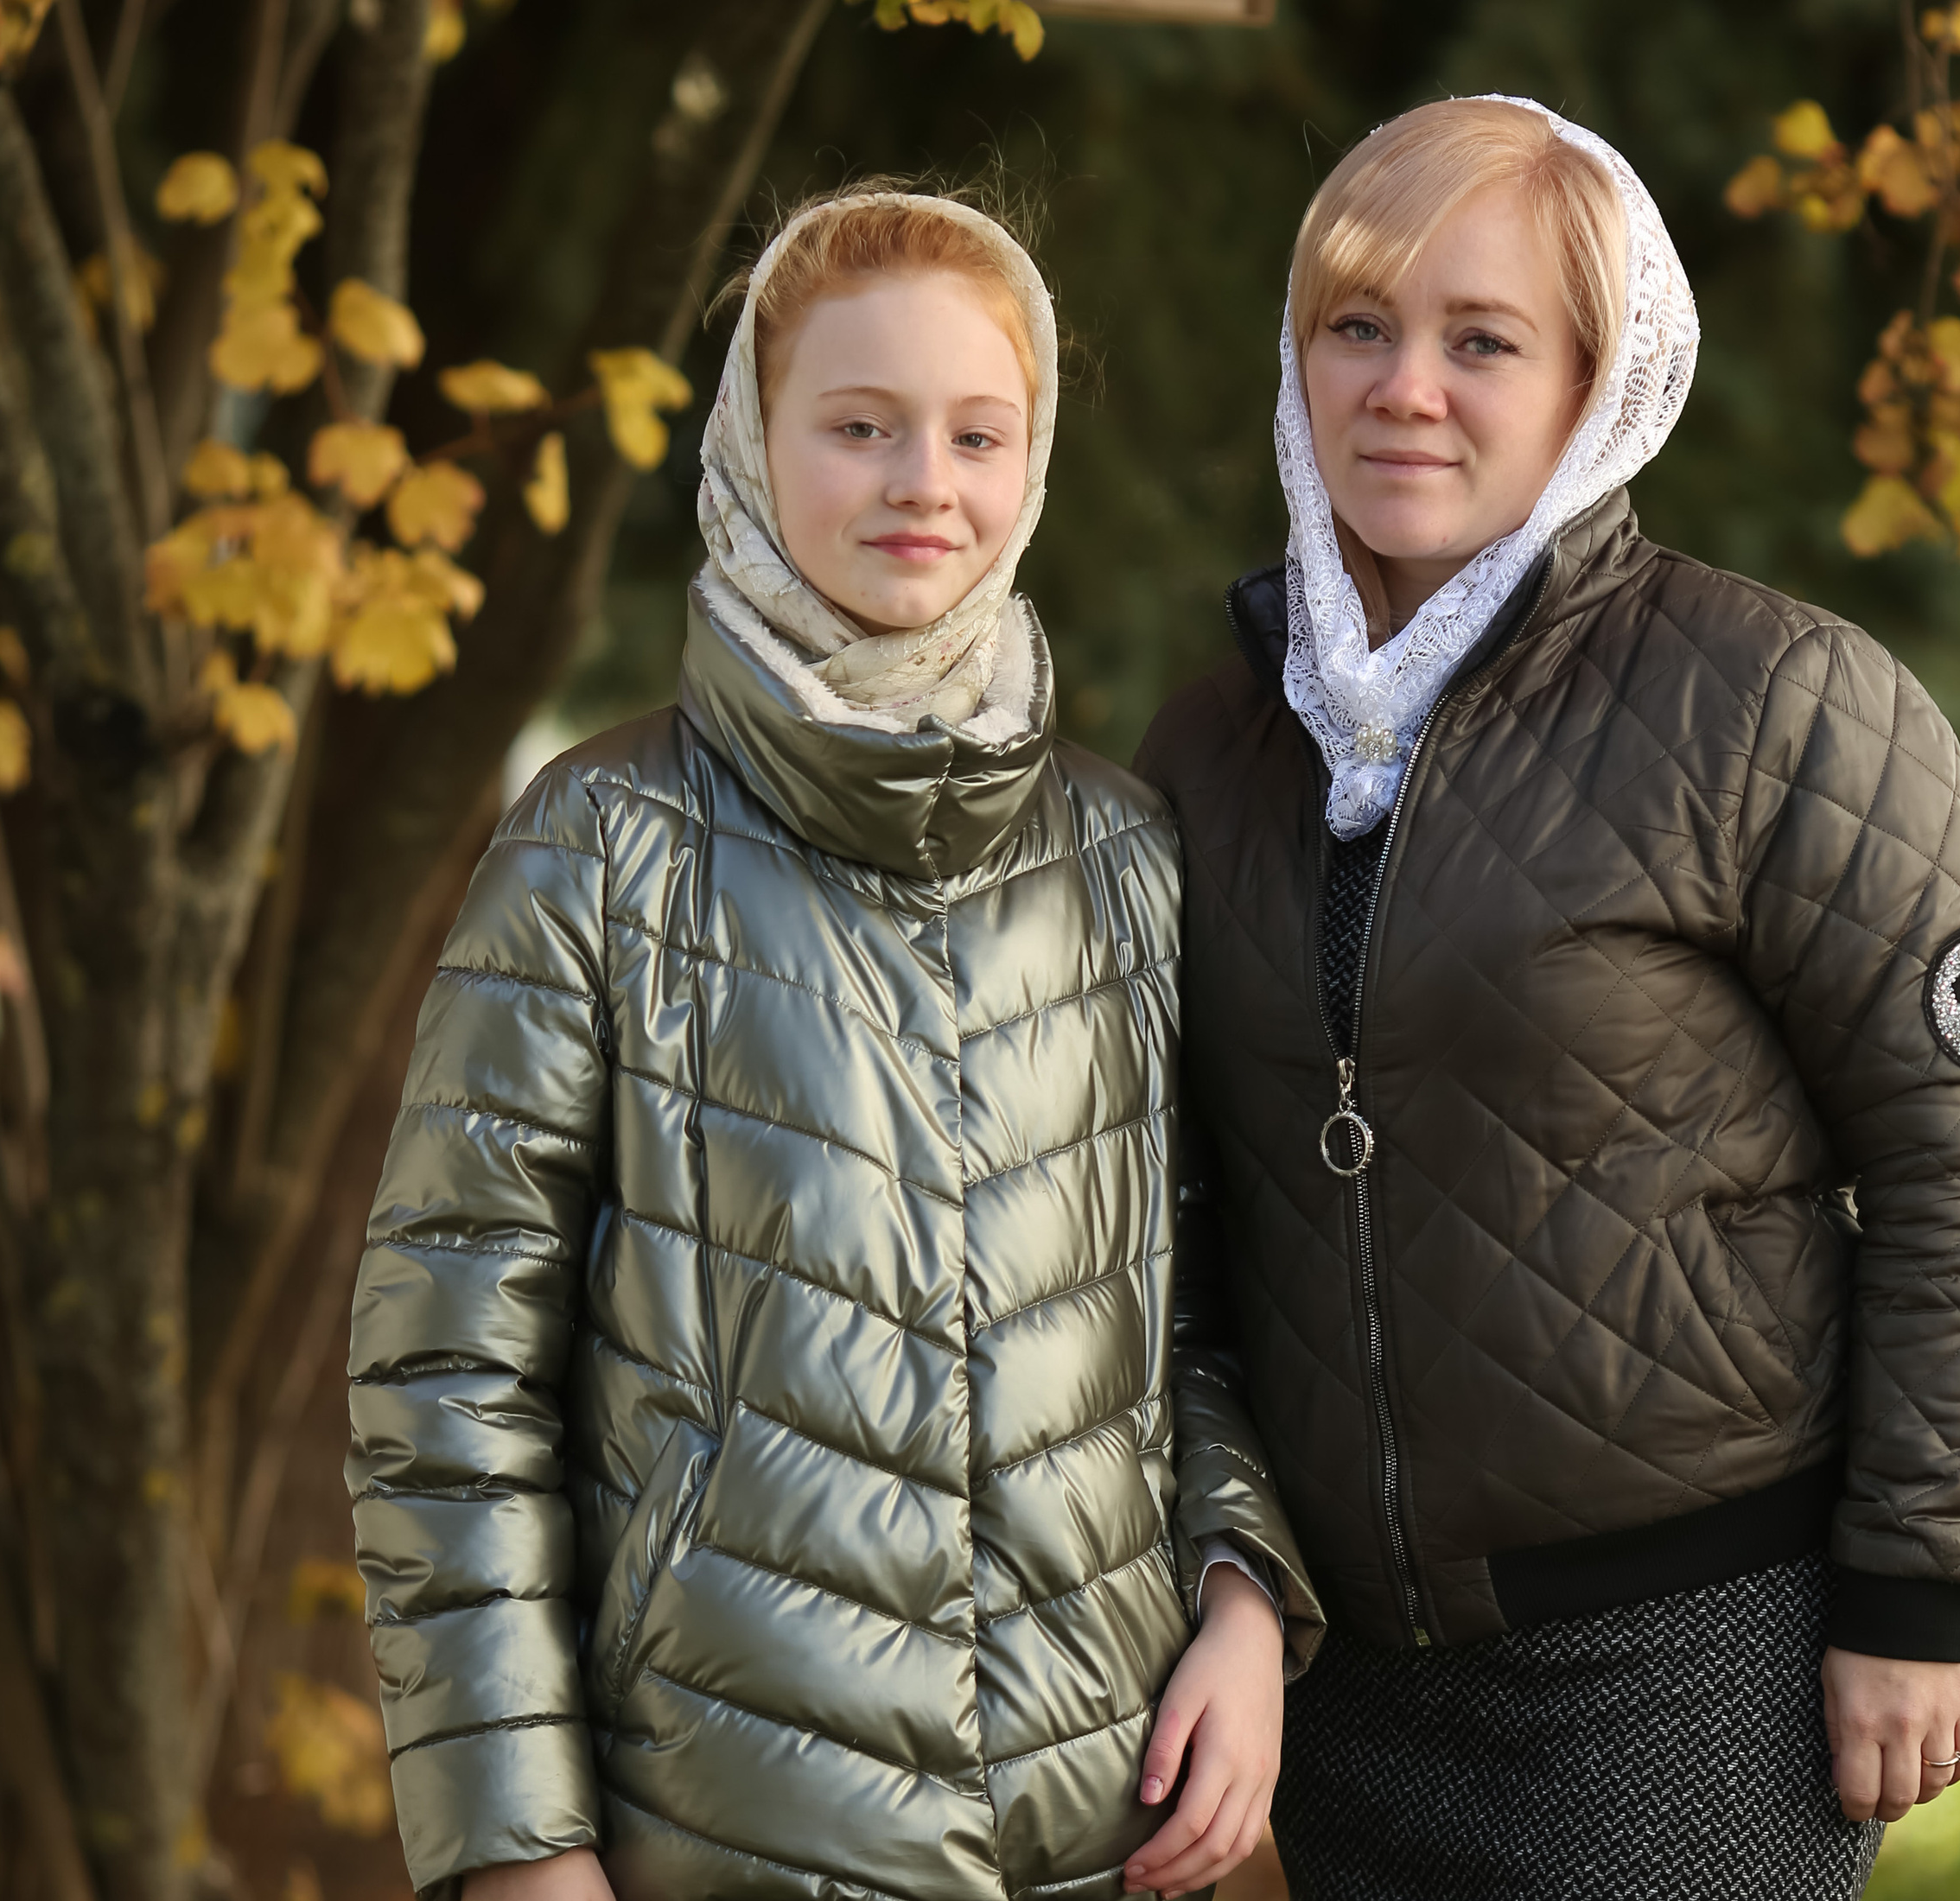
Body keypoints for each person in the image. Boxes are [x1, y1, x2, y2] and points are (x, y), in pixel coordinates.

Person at [347, 188, 1320, 1901]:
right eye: (859, 426)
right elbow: (447, 1381)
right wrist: (516, 1841)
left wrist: (1243, 1594)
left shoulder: (1119, 856)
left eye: (975, 433)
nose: (922, 480)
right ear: (750, 444)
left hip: (1097, 1836)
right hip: (717, 1831)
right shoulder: (599, 846)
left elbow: (1199, 1319)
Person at [1135, 98, 1960, 1900]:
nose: (1405, 387)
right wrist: (1230, 1578)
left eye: (1481, 339)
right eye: (1357, 325)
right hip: (1349, 1687)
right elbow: (1186, 1228)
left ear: (1591, 379)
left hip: (1694, 1659)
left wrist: (1915, 1586)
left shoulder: (1776, 700)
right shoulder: (1214, 746)